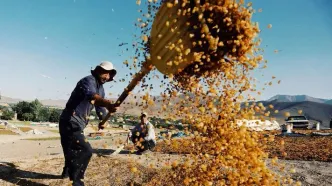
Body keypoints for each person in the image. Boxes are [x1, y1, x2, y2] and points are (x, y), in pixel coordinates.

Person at [59, 61, 118, 186]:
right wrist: (108, 103)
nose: (107, 77)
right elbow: (93, 97)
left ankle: (67, 171)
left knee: (71, 148)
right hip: (70, 120)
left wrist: (103, 120)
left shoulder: (101, 89)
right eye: (105, 73)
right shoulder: (88, 81)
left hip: (78, 123)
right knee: (86, 150)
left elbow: (99, 109)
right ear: (97, 70)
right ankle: (77, 182)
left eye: (109, 74)